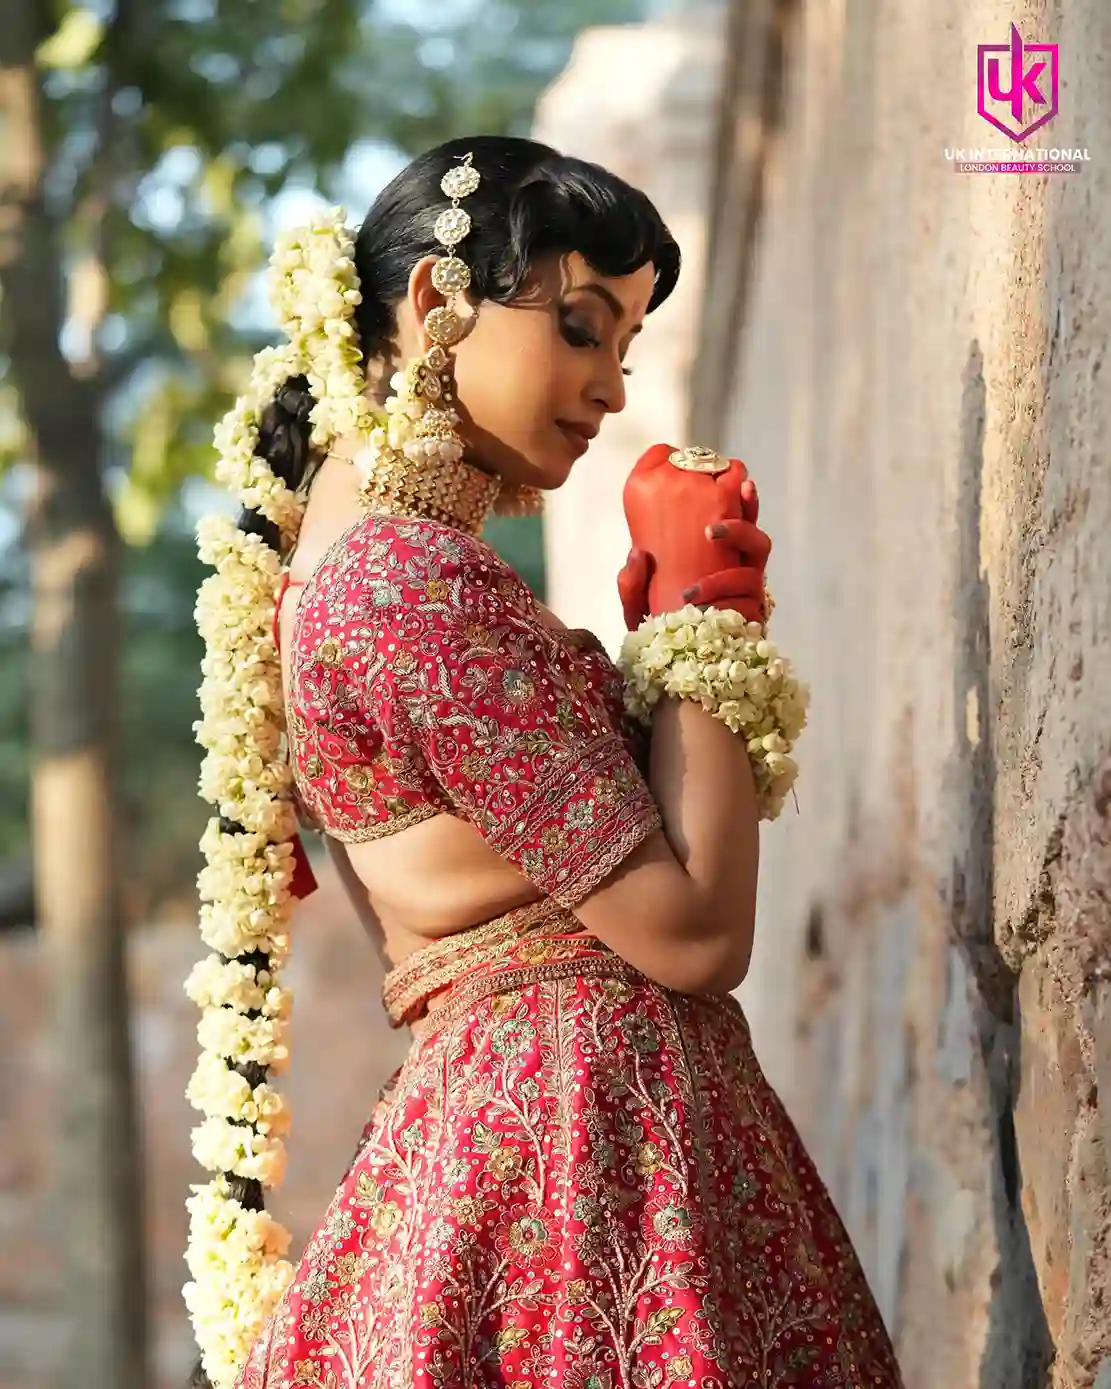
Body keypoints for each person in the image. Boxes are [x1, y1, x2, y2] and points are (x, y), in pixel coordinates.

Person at [186, 135, 903, 1389]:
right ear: (433, 306)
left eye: (624, 344)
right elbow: (689, 933)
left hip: (529, 1130)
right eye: (580, 327)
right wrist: (699, 614)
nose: (613, 387)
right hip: (582, 1154)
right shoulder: (405, 578)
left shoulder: (355, 568)